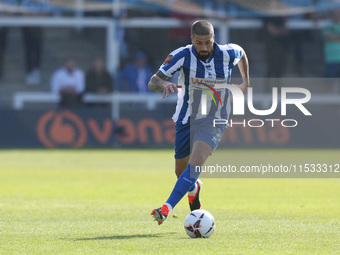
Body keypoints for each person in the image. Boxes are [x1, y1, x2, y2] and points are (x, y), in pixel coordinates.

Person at [148, 20, 249, 225]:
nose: (204, 48)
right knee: (181, 172)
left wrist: (246, 81)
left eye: (208, 43)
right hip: (186, 118)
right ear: (191, 39)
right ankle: (194, 188)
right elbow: (153, 81)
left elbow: (243, 54)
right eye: (199, 43)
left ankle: (165, 208)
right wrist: (165, 83)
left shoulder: (228, 53)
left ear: (214, 39)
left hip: (215, 117)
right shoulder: (181, 55)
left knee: (196, 163)